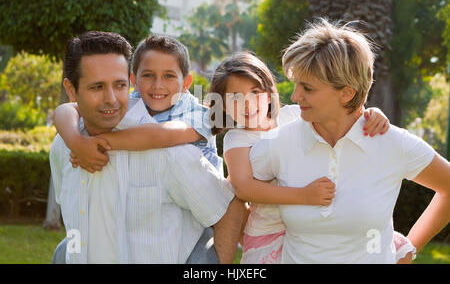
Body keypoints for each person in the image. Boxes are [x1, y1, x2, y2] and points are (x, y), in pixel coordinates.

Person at [248, 19, 450, 263]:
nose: (295, 95)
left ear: (347, 93)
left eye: (308, 88)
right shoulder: (281, 141)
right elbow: (236, 190)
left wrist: (407, 250)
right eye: (296, 85)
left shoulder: (390, 143)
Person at [50, 31, 244, 263]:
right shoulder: (64, 145)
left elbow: (229, 208)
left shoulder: (172, 144)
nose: (111, 98)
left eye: (118, 85)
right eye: (97, 87)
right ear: (71, 90)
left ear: (186, 82)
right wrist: (77, 143)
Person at [208, 51, 413, 264]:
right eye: (235, 98)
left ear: (269, 93)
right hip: (271, 232)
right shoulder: (237, 138)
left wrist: (372, 114)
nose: (248, 104)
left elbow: (339, 117)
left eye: (254, 92)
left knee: (397, 249)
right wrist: (304, 195)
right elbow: (244, 187)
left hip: (314, 225)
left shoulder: (295, 116)